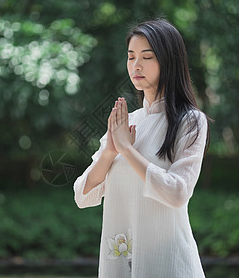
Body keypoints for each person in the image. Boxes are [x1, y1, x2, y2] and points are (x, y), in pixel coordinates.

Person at [73, 18, 209, 278]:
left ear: (168, 61)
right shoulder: (127, 122)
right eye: (131, 56)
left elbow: (178, 193)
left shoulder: (189, 121)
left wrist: (127, 150)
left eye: (147, 57)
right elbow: (83, 195)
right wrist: (111, 152)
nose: (136, 65)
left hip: (169, 265)